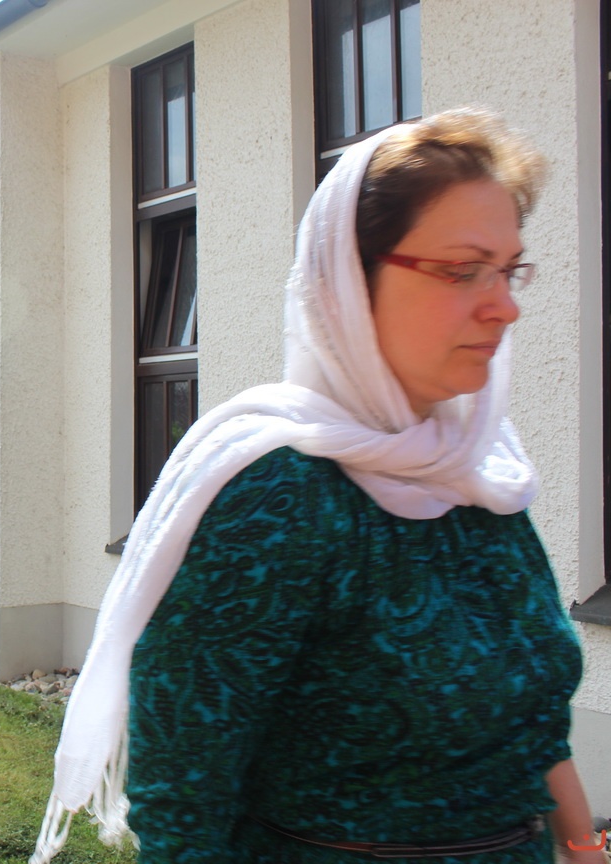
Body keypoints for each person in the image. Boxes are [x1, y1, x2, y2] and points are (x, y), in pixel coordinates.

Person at [32, 108, 600, 864]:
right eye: (463, 269)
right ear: (349, 282)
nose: (505, 304)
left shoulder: (480, 472)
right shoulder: (277, 497)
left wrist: (585, 848)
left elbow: (533, 723)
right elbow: (185, 802)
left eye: (509, 269)